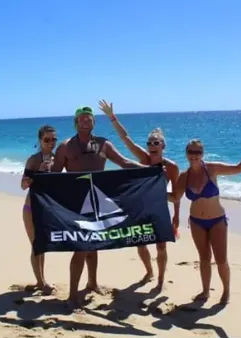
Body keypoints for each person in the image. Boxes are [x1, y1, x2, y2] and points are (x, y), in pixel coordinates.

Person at [51, 105, 145, 308]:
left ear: (94, 122)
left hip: (98, 201)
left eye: (89, 119)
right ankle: (72, 296)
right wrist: (36, 176)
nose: (86, 121)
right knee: (81, 247)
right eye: (82, 119)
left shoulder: (103, 144)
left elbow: (124, 163)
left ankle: (92, 283)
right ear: (76, 123)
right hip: (77, 204)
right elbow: (55, 176)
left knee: (93, 245)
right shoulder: (66, 147)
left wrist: (148, 170)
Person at [170, 138, 241, 304]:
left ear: (202, 154)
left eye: (197, 152)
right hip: (196, 222)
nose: (194, 155)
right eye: (191, 152)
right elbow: (174, 197)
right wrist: (151, 191)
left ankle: (226, 291)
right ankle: (206, 291)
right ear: (186, 153)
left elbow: (238, 169)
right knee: (204, 258)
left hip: (217, 221)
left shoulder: (212, 169)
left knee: (221, 260)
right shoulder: (184, 177)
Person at [99, 99, 179, 290]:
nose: (152, 145)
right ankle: (149, 271)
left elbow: (176, 195)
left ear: (163, 146)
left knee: (161, 247)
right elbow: (126, 139)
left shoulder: (172, 167)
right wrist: (112, 117)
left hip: (159, 210)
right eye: (150, 142)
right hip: (140, 209)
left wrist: (176, 216)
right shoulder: (143, 158)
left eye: (156, 143)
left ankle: (160, 279)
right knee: (140, 243)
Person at [20, 125, 58, 294]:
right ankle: (41, 282)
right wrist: (38, 173)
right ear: (40, 141)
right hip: (31, 208)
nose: (51, 143)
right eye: (47, 140)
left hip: (46, 209)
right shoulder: (33, 160)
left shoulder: (57, 159)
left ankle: (41, 280)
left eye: (53, 139)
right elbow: (23, 185)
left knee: (43, 245)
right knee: (36, 246)